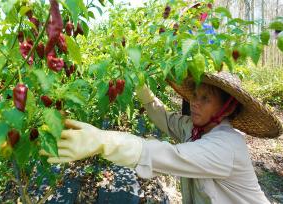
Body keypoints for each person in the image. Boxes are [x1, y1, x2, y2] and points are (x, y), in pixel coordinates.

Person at [40, 71, 283, 204]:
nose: (194, 104)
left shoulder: (227, 145)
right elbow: (166, 120)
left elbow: (170, 155)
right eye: (194, 96)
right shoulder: (195, 129)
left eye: (205, 99)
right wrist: (145, 94)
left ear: (227, 109)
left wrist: (106, 141)